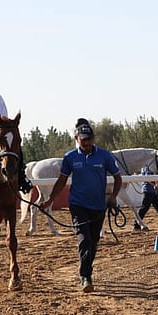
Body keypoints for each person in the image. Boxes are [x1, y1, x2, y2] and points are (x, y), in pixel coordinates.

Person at [39, 119, 122, 293]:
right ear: (76, 138)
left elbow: (117, 177)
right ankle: (86, 276)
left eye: (89, 139)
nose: (87, 142)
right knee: (84, 240)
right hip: (78, 204)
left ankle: (86, 271)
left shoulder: (104, 156)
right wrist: (49, 201)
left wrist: (113, 197)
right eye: (83, 139)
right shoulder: (70, 157)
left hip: (99, 206)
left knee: (93, 242)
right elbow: (62, 181)